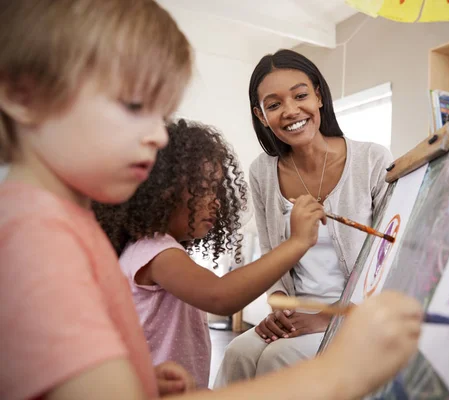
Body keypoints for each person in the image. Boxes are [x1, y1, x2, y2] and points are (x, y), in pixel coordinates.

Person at [0, 2, 422, 399]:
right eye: (132, 105)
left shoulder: (63, 225)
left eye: (160, 114)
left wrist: (137, 382)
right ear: (23, 95)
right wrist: (341, 371)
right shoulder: (36, 240)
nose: (159, 136)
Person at [93, 119, 327, 389]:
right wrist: (297, 242)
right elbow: (221, 296)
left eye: (217, 190)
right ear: (164, 193)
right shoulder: (155, 252)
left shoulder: (153, 250)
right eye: (205, 189)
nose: (216, 200)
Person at [215, 49, 394, 386]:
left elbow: (388, 259)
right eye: (274, 104)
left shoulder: (371, 159)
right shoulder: (262, 173)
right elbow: (272, 256)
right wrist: (279, 310)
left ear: (319, 96)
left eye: (300, 95)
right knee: (238, 353)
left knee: (277, 358)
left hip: (355, 313)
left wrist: (329, 319)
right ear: (261, 115)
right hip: (297, 312)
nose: (291, 111)